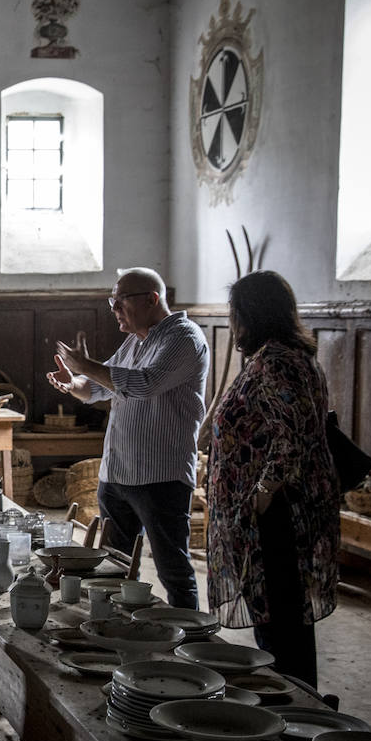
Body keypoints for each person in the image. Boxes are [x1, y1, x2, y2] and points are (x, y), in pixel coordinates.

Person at [47, 266, 209, 610]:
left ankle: (192, 646)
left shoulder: (183, 338)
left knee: (173, 571)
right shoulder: (137, 340)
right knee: (113, 565)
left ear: (152, 299)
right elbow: (98, 386)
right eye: (112, 301)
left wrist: (86, 365)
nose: (114, 309)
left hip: (159, 476)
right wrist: (72, 383)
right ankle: (118, 628)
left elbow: (144, 384)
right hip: (118, 473)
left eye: (120, 301)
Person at [207, 271, 339, 687]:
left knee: (282, 625)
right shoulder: (277, 357)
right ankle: (291, 705)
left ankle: (298, 712)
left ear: (251, 314)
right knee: (276, 621)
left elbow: (292, 440)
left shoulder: (280, 362)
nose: (232, 322)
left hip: (279, 517)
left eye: (234, 312)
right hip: (268, 515)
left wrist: (261, 495)